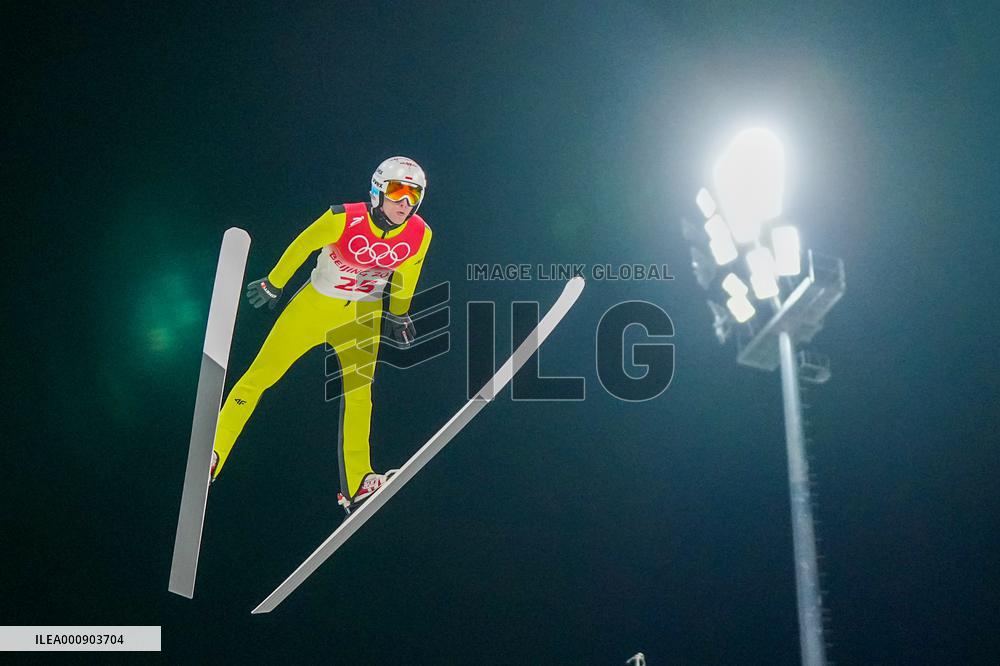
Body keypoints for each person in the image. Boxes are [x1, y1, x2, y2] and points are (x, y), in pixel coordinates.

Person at [209, 156, 432, 514]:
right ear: (378, 191)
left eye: (413, 194)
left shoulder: (420, 234)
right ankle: (215, 451)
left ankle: (358, 482)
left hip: (363, 316)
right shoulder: (344, 218)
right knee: (260, 377)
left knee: (360, 397)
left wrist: (399, 312)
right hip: (314, 307)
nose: (405, 202)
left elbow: (409, 273)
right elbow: (303, 244)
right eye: (397, 191)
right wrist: (274, 282)